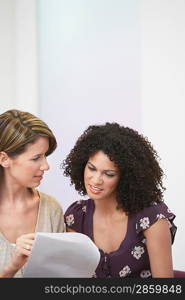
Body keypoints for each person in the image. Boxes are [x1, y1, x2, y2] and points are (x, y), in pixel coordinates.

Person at [63, 122, 177, 278]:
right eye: (91, 168)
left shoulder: (152, 218)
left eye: (108, 174)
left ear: (126, 177)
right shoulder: (76, 217)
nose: (96, 180)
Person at [0, 109, 65, 278]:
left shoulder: (51, 210)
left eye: (45, 156)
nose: (45, 166)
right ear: (4, 159)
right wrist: (11, 268)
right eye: (36, 158)